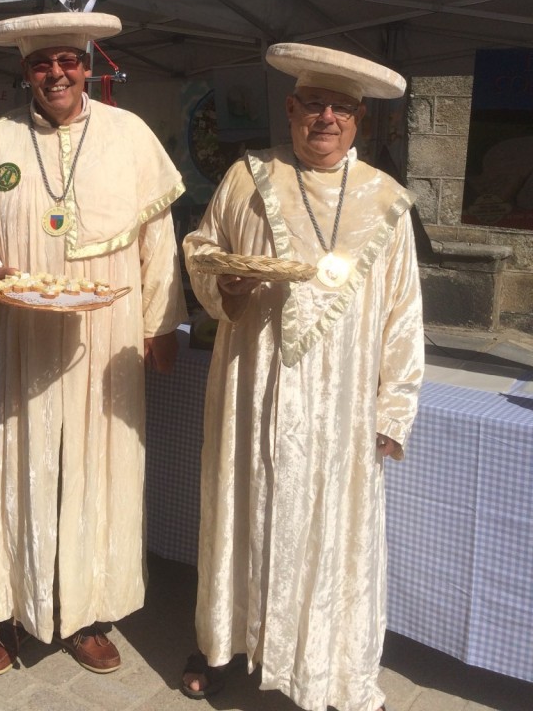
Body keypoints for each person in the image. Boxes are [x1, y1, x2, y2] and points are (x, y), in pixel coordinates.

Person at [0, 11, 187, 678]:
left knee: (95, 469)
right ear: (25, 71)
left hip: (104, 339)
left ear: (88, 66)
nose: (56, 74)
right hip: (14, 333)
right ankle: (4, 612)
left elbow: (158, 239)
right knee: (11, 466)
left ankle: (85, 613)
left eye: (67, 61)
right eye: (41, 63)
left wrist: (160, 323)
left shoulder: (130, 135)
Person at [181, 42, 424, 711]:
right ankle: (224, 643)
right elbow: (201, 248)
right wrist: (223, 282)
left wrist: (394, 409)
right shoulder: (247, 177)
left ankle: (322, 666)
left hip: (341, 406)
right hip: (253, 386)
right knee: (242, 514)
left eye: (341, 108)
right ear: (290, 108)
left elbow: (404, 314)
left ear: (359, 120)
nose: (326, 118)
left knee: (327, 535)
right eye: (314, 103)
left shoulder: (386, 201)